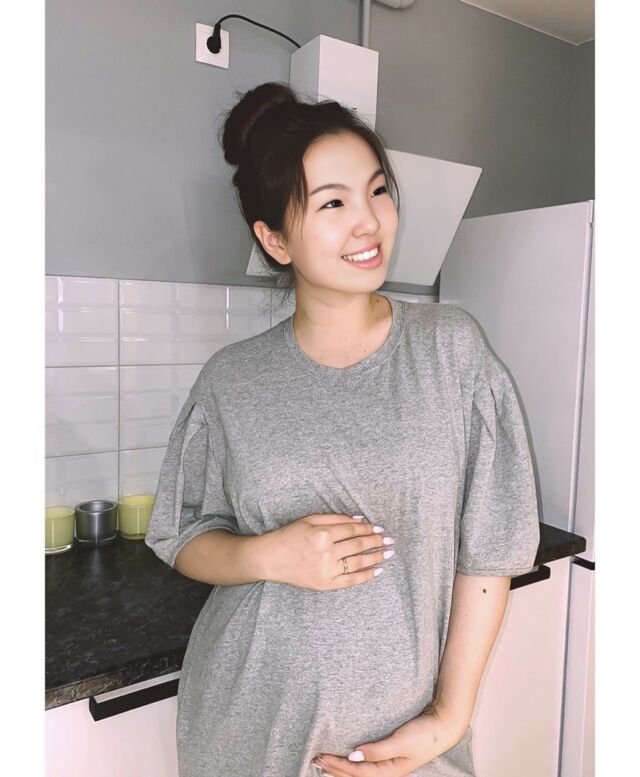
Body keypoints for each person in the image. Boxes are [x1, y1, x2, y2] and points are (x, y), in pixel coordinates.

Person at [145, 81, 540, 777]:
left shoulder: (451, 351)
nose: (369, 221)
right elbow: (182, 534)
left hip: (402, 740)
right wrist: (268, 556)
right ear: (274, 239)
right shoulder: (232, 380)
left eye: (378, 190)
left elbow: (492, 549)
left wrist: (449, 718)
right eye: (333, 203)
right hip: (247, 730)